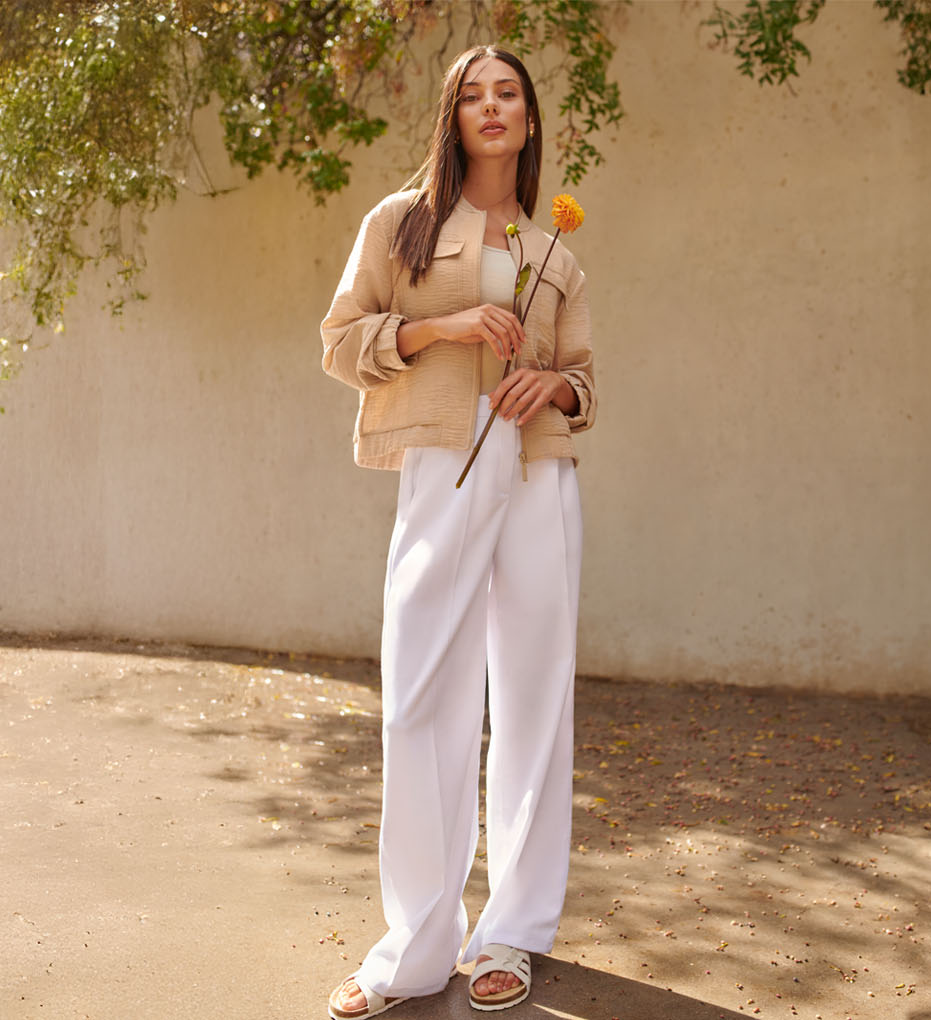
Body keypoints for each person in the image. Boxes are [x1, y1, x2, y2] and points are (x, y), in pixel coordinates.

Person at [315, 43, 598, 1018]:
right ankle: (415, 948)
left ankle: (512, 931)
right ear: (454, 116)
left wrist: (551, 383)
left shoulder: (556, 254)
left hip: (538, 471)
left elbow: (586, 382)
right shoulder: (400, 224)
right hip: (444, 461)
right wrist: (449, 327)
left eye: (507, 93)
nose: (491, 107)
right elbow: (342, 342)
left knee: (533, 696)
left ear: (528, 117)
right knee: (421, 693)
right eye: (473, 95)